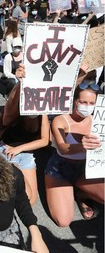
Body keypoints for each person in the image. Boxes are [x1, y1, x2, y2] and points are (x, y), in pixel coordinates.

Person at [45, 82, 104, 227]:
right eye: (83, 102)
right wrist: (81, 146)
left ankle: (80, 193)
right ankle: (73, 190)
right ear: (74, 101)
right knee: (63, 221)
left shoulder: (98, 119)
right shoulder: (60, 120)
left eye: (91, 103)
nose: (87, 106)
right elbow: (63, 148)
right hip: (60, 170)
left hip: (86, 169)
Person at [0, 82, 51, 205]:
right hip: (7, 151)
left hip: (25, 153)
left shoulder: (42, 113)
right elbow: (11, 103)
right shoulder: (14, 111)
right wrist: (21, 82)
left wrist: (20, 148)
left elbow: (45, 140)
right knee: (17, 194)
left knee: (30, 200)